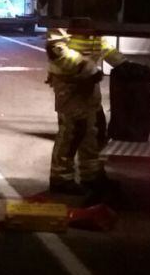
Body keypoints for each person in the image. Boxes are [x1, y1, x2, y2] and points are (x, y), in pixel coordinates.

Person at [46, 18, 126, 195]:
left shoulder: (91, 15)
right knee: (72, 132)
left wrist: (122, 63)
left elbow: (100, 43)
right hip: (69, 83)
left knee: (91, 131)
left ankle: (91, 176)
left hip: (88, 82)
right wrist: (87, 68)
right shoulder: (64, 14)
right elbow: (56, 49)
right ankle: (60, 179)